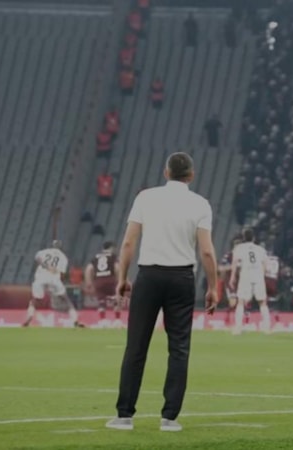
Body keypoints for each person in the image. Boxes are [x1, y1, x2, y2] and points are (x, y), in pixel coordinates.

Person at [106, 152, 218, 432]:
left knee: (136, 346)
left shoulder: (145, 198)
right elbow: (206, 251)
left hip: (149, 276)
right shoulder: (200, 204)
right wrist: (213, 287)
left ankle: (124, 416)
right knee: (179, 348)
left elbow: (129, 243)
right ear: (191, 175)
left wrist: (123, 278)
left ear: (166, 172)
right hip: (182, 278)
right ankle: (169, 418)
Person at [24, 240, 84, 328]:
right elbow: (62, 273)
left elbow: (37, 257)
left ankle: (29, 316)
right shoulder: (63, 257)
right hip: (54, 279)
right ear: (61, 247)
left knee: (34, 300)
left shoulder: (45, 251)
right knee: (66, 300)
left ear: (52, 245)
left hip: (40, 278)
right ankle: (75, 319)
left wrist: (45, 265)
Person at [229, 228, 269, 335]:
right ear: (254, 238)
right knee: (262, 301)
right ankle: (266, 328)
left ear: (243, 238)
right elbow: (265, 263)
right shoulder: (260, 249)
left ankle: (238, 328)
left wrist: (232, 277)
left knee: (241, 301)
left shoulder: (239, 248)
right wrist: (262, 275)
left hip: (246, 275)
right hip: (258, 275)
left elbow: (234, 262)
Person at [85, 241, 121, 322]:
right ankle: (117, 320)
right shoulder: (113, 256)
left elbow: (89, 269)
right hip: (110, 280)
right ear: (111, 248)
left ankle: (102, 320)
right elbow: (117, 268)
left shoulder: (95, 257)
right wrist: (120, 280)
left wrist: (89, 282)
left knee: (101, 301)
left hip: (98, 281)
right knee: (117, 300)